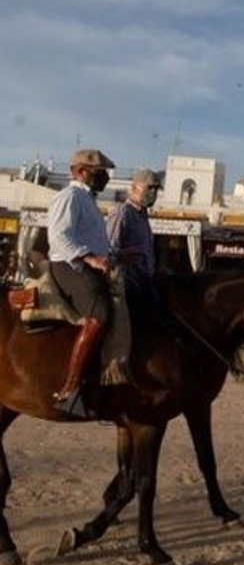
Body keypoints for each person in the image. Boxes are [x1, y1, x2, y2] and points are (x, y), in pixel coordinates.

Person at [46, 148, 117, 418]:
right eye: (100, 173)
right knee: (99, 314)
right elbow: (59, 237)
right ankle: (70, 388)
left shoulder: (89, 201)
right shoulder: (70, 197)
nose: (105, 178)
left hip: (86, 264)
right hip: (69, 265)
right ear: (80, 171)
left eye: (105, 174)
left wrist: (113, 256)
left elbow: (97, 243)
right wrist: (91, 259)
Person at [106, 168, 161, 294]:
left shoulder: (142, 215)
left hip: (144, 283)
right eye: (150, 187)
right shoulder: (123, 212)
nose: (153, 192)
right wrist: (125, 254)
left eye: (156, 189)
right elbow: (108, 250)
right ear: (134, 187)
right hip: (128, 285)